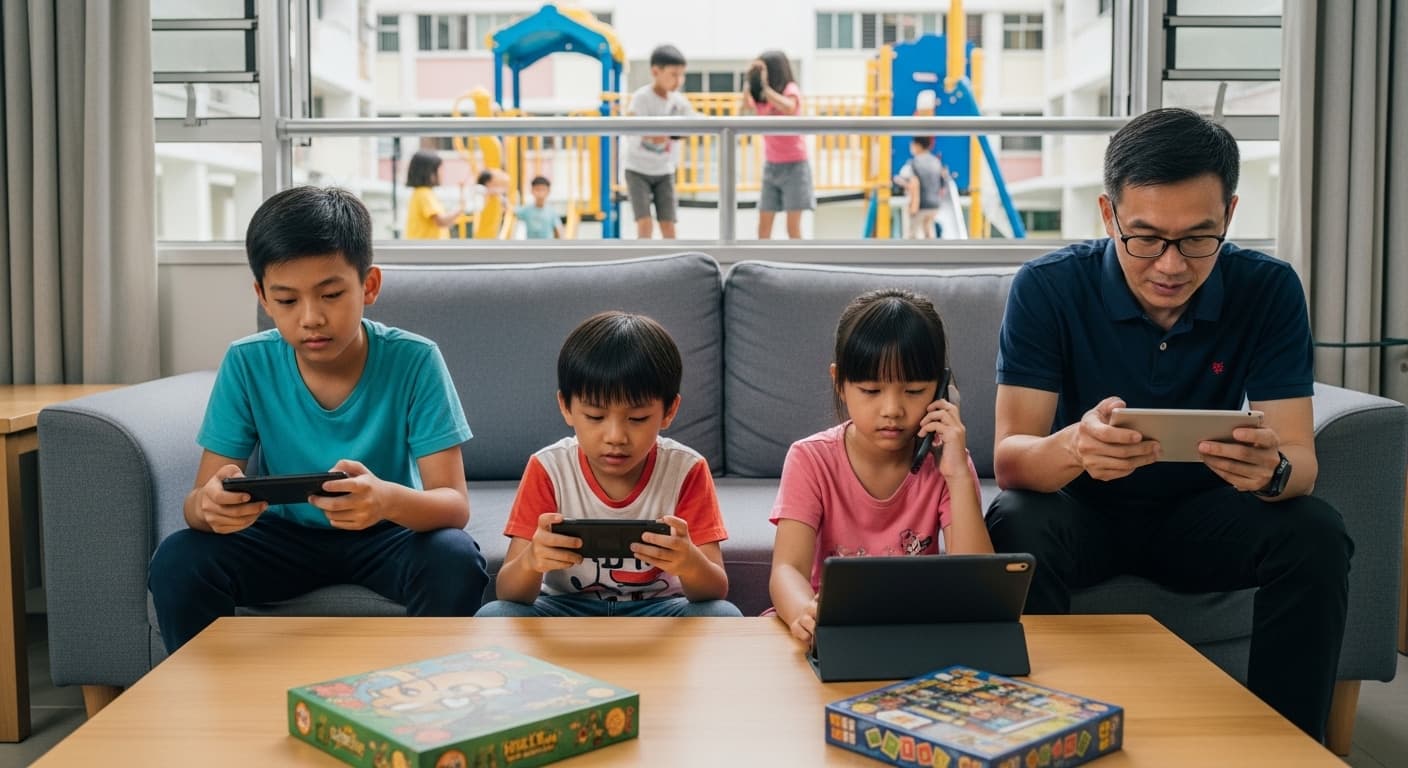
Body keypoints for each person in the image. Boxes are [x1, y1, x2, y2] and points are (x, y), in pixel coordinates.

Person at [985, 107, 1352, 742]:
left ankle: (1288, 746)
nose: (1171, 265)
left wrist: (1274, 472)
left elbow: (1301, 464)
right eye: (1146, 237)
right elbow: (1012, 459)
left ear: (1230, 216)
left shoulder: (1268, 290)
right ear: (1109, 215)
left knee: (1316, 532)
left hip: (1202, 520)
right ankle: (1027, 735)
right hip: (1083, 515)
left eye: (1198, 238)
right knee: (1017, 519)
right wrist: (1076, 444)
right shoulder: (1047, 288)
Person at [148, 186, 489, 652]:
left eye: (330, 294)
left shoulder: (415, 359)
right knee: (178, 560)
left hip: (385, 534)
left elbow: (453, 505)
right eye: (287, 301)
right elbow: (198, 504)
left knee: (454, 557)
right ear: (263, 297)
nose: (311, 318)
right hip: (282, 538)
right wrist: (210, 506)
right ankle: (207, 697)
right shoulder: (248, 363)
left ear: (368, 286)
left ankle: (427, 691)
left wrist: (384, 500)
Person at [476, 311, 742, 618]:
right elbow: (509, 594)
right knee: (494, 616)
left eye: (638, 419)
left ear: (669, 411)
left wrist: (690, 563)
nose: (615, 437)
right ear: (566, 407)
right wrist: (532, 561)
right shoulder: (548, 467)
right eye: (595, 417)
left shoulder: (686, 469)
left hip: (659, 610)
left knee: (723, 615)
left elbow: (714, 591)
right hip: (566, 609)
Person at [769, 289, 992, 644]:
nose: (892, 409)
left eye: (915, 390)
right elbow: (787, 569)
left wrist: (957, 475)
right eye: (871, 390)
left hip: (914, 631)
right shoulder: (810, 459)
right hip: (827, 628)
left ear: (941, 389)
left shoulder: (949, 465)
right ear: (839, 383)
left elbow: (980, 586)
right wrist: (804, 614)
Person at [740, 50, 814, 240]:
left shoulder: (790, 89)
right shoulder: (762, 98)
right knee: (763, 228)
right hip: (771, 165)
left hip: (795, 165)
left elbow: (789, 107)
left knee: (793, 228)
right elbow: (742, 112)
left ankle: (798, 266)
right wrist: (751, 81)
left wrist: (765, 88)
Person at [623, 45, 694, 240]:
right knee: (644, 224)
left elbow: (693, 123)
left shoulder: (679, 101)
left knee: (668, 225)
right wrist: (674, 131)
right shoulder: (641, 98)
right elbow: (645, 132)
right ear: (656, 72)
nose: (678, 81)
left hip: (665, 170)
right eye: (673, 75)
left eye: (682, 75)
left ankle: (672, 265)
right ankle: (645, 265)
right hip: (637, 169)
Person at [893, 137, 949, 239]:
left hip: (919, 205)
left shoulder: (914, 162)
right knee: (928, 233)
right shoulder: (936, 162)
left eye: (912, 145)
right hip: (934, 205)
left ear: (918, 146)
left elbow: (914, 184)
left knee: (911, 235)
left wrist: (899, 181)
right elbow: (942, 183)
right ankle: (931, 254)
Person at [404, 150, 466, 240]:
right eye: (440, 169)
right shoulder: (424, 194)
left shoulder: (422, 193)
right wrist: (459, 211)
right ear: (430, 173)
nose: (443, 173)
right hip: (426, 250)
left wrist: (461, 193)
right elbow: (441, 221)